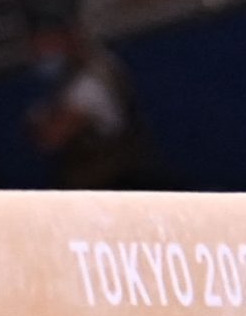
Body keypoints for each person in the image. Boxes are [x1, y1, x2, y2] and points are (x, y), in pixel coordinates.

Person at [23, 13, 168, 191]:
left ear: (68, 38)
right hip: (104, 182)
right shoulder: (82, 72)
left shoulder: (89, 82)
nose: (41, 54)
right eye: (36, 48)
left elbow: (51, 138)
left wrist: (38, 120)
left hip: (117, 184)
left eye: (47, 45)